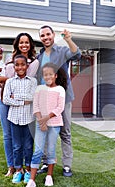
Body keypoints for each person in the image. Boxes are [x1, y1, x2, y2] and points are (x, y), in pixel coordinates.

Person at [36, 25, 81, 177]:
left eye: (48, 34)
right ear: (40, 38)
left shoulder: (62, 51)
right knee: (44, 131)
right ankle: (45, 162)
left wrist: (68, 39)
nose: (46, 37)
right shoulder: (39, 56)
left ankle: (67, 165)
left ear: (53, 35)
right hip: (44, 99)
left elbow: (77, 54)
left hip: (63, 98)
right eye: (42, 35)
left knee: (65, 132)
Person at [0, 32, 39, 177]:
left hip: (21, 103)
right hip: (3, 98)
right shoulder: (9, 59)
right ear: (17, 44)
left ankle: (23, 166)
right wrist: (1, 79)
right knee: (8, 135)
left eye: (27, 42)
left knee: (24, 140)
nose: (24, 45)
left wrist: (14, 94)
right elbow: (2, 78)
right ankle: (12, 166)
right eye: (21, 42)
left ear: (30, 44)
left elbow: (27, 83)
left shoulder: (34, 62)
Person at [24, 63, 67, 187]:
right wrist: (41, 121)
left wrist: (46, 119)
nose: (47, 77)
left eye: (50, 74)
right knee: (37, 150)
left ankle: (49, 176)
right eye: (45, 74)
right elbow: (36, 106)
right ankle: (32, 181)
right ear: (43, 76)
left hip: (54, 124)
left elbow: (60, 108)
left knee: (51, 150)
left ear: (55, 75)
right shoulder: (39, 89)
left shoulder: (60, 89)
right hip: (40, 123)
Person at [2, 54, 37, 184]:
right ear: (14, 67)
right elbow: (6, 99)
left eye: (23, 64)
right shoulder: (10, 81)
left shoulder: (33, 81)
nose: (20, 67)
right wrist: (23, 101)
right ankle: (18, 170)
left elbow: (32, 97)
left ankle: (28, 170)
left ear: (27, 66)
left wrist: (15, 96)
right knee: (16, 146)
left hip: (29, 119)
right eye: (17, 65)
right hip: (14, 118)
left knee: (28, 146)